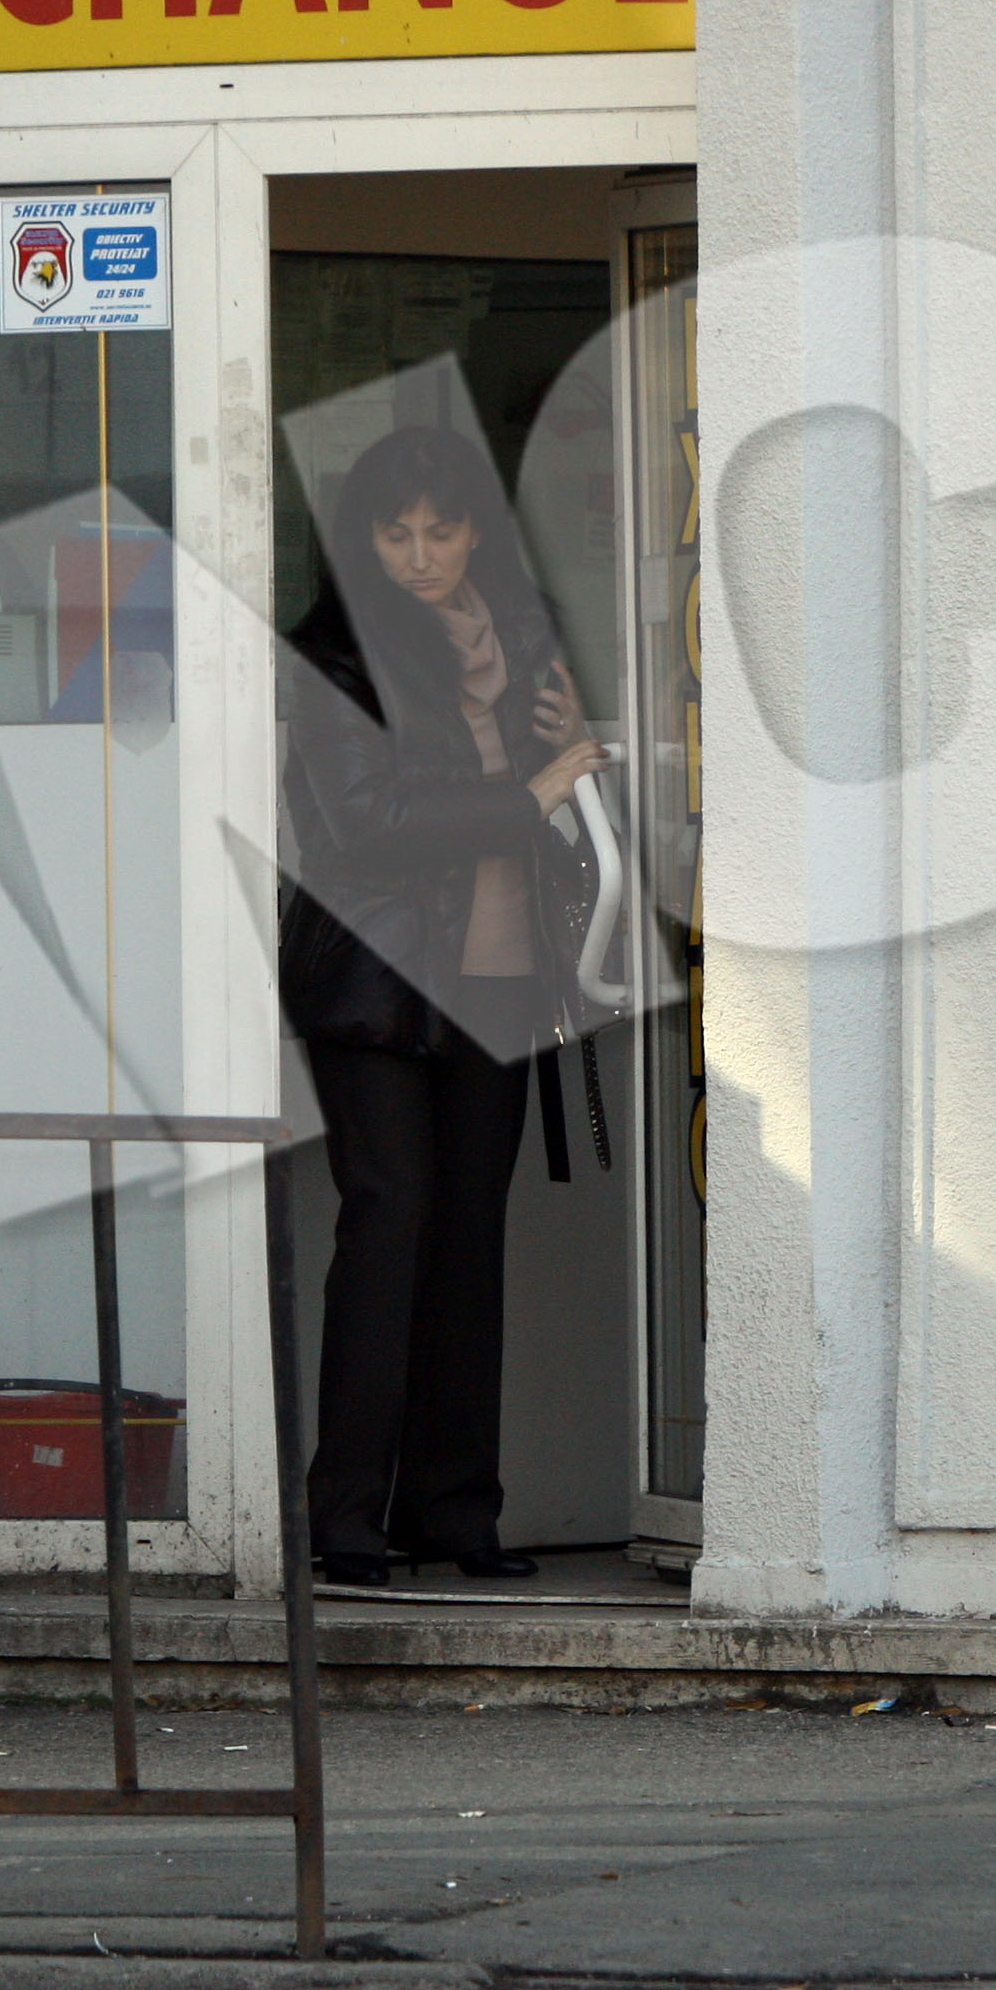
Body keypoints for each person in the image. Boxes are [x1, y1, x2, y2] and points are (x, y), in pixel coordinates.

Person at [280, 425, 607, 1583]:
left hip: (504, 973)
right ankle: (346, 1521)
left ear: (478, 531)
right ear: (362, 540)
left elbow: (556, 801)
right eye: (394, 531)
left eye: (442, 528)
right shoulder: (334, 656)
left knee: (469, 1244)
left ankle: (458, 1513)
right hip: (376, 978)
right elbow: (368, 824)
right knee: (389, 1231)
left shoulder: (519, 644)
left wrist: (568, 754)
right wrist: (528, 793)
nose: (420, 554)